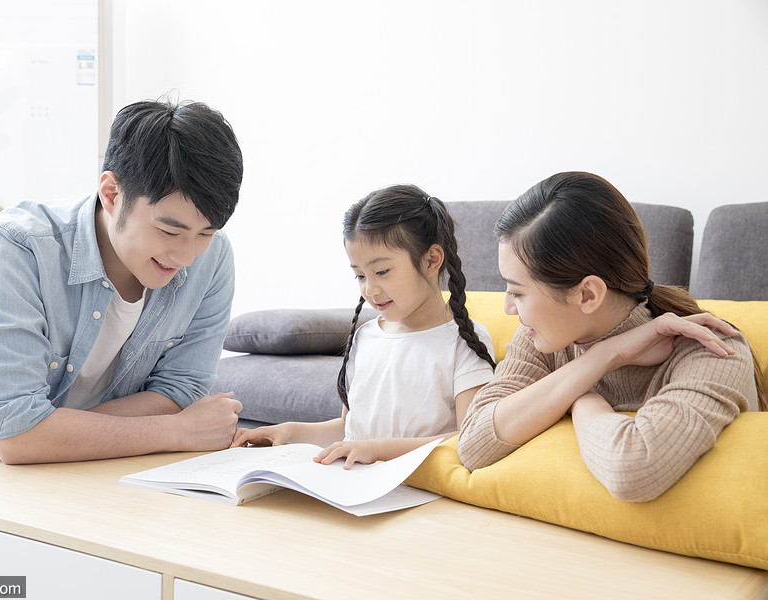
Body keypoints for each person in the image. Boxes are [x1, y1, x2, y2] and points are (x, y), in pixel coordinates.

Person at [0, 98, 245, 479]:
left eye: (206, 232)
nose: (188, 255)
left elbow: (180, 393)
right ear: (112, 194)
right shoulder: (14, 249)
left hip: (55, 461)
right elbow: (17, 435)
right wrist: (178, 431)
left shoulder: (212, 260)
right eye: (169, 231)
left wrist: (40, 438)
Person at [459, 171, 766, 501]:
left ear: (588, 295)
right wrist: (605, 357)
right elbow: (473, 445)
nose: (508, 308)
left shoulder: (711, 348)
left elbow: (632, 470)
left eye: (518, 293)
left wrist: (581, 398)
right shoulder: (543, 339)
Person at [232, 184, 496, 467]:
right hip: (355, 481)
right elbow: (349, 430)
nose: (370, 289)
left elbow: (468, 439)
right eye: (359, 275)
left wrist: (379, 450)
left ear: (431, 260)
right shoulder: (366, 337)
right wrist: (290, 432)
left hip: (419, 490)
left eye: (381, 272)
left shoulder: (463, 341)